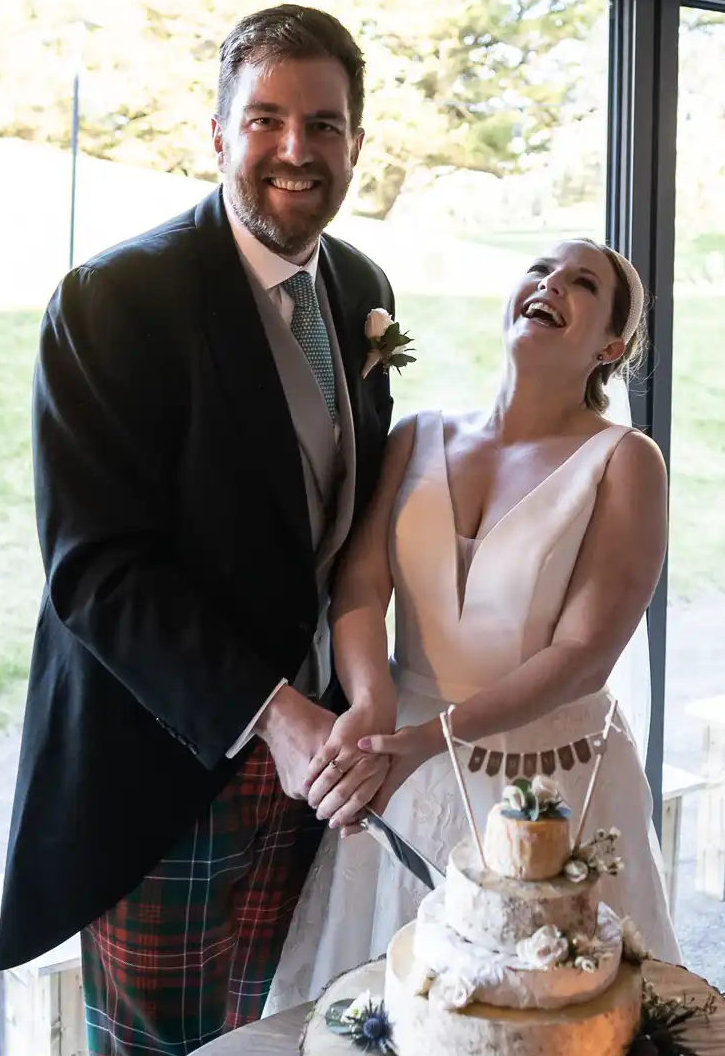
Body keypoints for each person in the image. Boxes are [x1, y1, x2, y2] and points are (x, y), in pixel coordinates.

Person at [0, 4, 399, 1056]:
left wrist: (360, 693)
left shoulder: (362, 286)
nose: (294, 149)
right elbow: (96, 573)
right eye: (264, 118)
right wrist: (273, 715)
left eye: (323, 124)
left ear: (356, 145)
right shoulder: (114, 301)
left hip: (312, 771)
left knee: (268, 1044)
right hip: (161, 764)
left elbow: (345, 523)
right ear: (214, 132)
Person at [267, 238, 682, 1011]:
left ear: (610, 347)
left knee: (556, 1027)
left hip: (553, 782)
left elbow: (585, 654)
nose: (550, 283)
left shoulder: (626, 461)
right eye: (540, 269)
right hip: (400, 761)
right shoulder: (416, 436)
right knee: (389, 1017)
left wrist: (431, 741)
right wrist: (369, 705)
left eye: (582, 283)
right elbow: (359, 582)